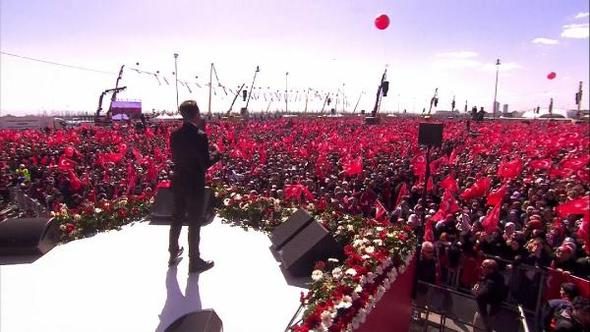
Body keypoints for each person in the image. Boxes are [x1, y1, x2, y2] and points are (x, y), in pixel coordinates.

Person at [168, 100, 220, 273]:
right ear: (197, 114)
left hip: (178, 182)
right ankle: (194, 261)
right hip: (194, 184)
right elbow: (204, 164)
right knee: (194, 223)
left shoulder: (174, 135)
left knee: (176, 219)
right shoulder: (200, 135)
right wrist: (217, 155)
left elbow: (177, 159)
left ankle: (173, 254)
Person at [472, 259, 507, 332]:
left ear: (491, 270)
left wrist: (476, 292)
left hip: (485, 312)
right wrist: (479, 283)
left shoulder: (491, 282)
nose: (481, 267)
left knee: (478, 329)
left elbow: (481, 296)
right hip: (493, 311)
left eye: (483, 266)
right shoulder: (499, 277)